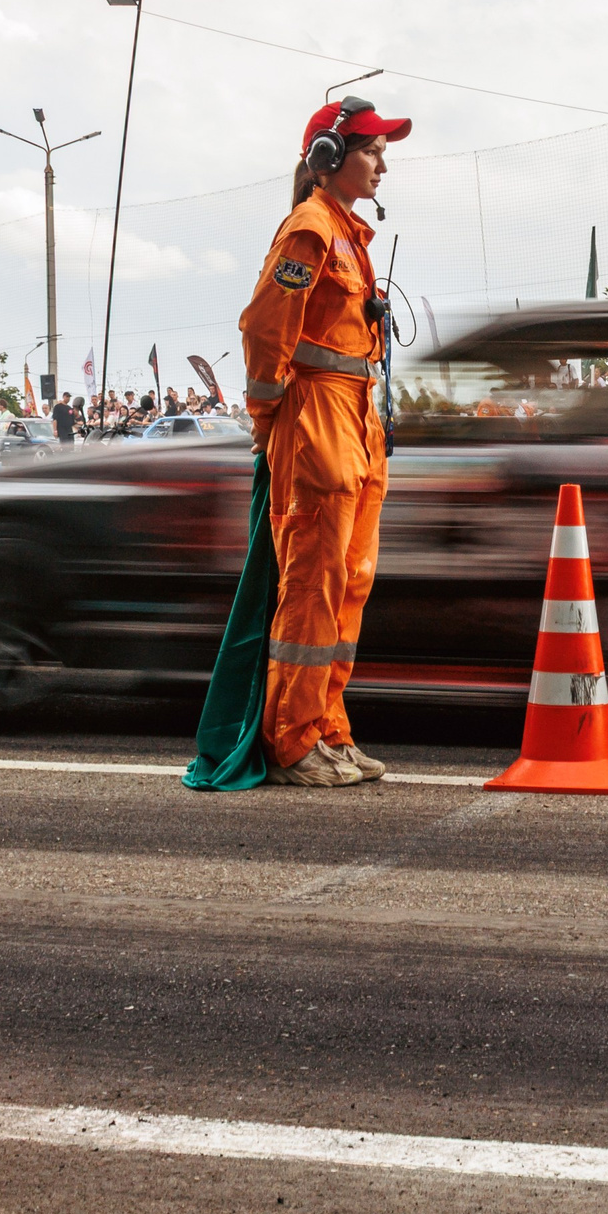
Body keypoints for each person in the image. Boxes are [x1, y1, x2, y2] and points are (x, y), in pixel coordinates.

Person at [188, 93, 412, 792]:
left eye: (382, 152)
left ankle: (328, 728)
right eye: (371, 151)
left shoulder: (348, 233)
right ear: (328, 157)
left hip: (354, 420)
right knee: (313, 586)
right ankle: (291, 739)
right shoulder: (310, 230)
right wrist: (268, 419)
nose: (382, 165)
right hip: (317, 421)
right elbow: (265, 329)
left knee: (348, 584)